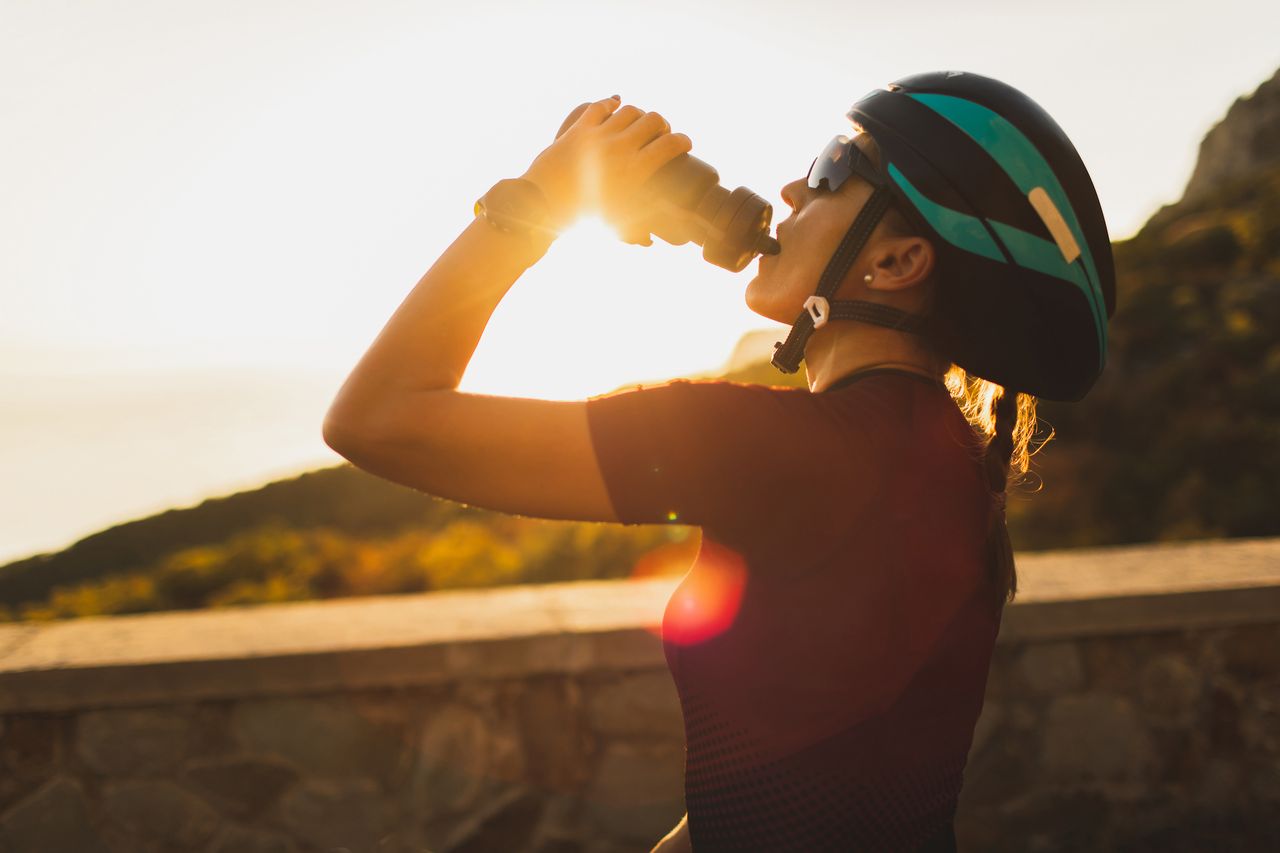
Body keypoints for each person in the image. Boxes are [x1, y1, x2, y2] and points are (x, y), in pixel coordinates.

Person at [324, 72, 1115, 852]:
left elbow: (376, 419)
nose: (791, 191)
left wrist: (537, 202)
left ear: (899, 263)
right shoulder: (947, 455)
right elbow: (808, 772)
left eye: (832, 172)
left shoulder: (776, 447)